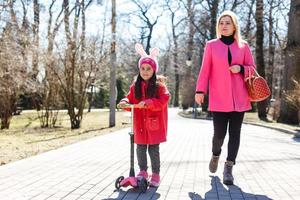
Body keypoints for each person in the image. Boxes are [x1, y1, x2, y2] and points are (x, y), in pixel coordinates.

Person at [195, 10, 256, 185]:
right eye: (221, 23)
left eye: (228, 22)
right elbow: (205, 69)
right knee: (219, 134)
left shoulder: (243, 46)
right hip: (219, 97)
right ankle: (215, 154)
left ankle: (229, 167)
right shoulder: (211, 45)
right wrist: (200, 90)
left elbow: (253, 68)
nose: (224, 25)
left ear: (234, 25)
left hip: (240, 98)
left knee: (235, 133)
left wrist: (241, 69)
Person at [118, 43, 170, 187]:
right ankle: (142, 171)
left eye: (149, 69)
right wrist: (125, 101)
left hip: (154, 124)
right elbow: (130, 98)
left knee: (153, 150)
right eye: (143, 68)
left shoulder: (159, 86)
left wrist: (148, 102)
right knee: (140, 148)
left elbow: (164, 99)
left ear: (154, 70)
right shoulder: (135, 86)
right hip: (140, 124)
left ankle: (156, 174)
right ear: (139, 69)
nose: (145, 71)